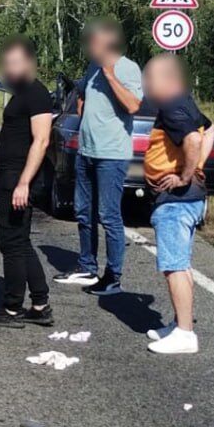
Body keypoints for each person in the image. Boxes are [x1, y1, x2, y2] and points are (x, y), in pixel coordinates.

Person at [54, 21, 142, 295]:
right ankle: (86, 267)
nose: (90, 47)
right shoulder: (91, 67)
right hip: (87, 150)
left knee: (109, 215)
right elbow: (82, 94)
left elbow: (133, 105)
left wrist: (110, 75)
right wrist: (81, 103)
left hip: (112, 154)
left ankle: (113, 276)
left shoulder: (127, 67)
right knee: (82, 211)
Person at [141, 55, 214, 355]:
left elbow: (193, 141)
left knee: (173, 266)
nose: (146, 85)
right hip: (188, 199)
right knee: (181, 264)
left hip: (175, 202)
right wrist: (196, 168)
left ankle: (185, 334)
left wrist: (185, 175)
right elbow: (208, 131)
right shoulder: (184, 101)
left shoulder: (172, 105)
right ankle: (178, 323)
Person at [0, 37, 54, 326]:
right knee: (19, 241)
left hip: (20, 178)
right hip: (11, 174)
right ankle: (39, 304)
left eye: (14, 63)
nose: (9, 69)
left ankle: (11, 308)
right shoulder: (23, 92)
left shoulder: (36, 93)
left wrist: (23, 182)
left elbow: (42, 140)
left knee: (10, 240)